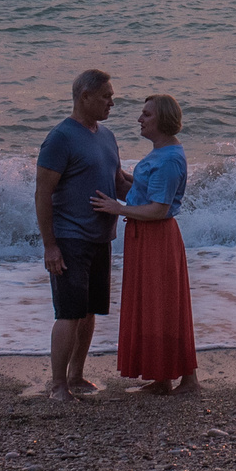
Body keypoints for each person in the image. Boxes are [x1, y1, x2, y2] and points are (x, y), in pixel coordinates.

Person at [92, 94, 199, 395]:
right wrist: (115, 175)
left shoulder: (168, 159)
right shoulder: (160, 154)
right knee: (154, 305)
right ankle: (162, 377)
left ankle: (187, 380)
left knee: (163, 305)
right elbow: (139, 192)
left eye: (147, 115)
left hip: (157, 237)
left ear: (162, 120)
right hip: (146, 236)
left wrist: (118, 209)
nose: (140, 119)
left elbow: (158, 209)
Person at [35, 68, 124, 400]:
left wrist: (159, 193)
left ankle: (76, 376)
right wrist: (50, 246)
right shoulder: (60, 137)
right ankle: (58, 384)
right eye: (106, 97)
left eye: (112, 97)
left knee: (89, 312)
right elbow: (43, 193)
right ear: (84, 97)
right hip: (70, 238)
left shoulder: (106, 135)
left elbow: (119, 181)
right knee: (69, 312)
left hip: (102, 238)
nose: (112, 103)